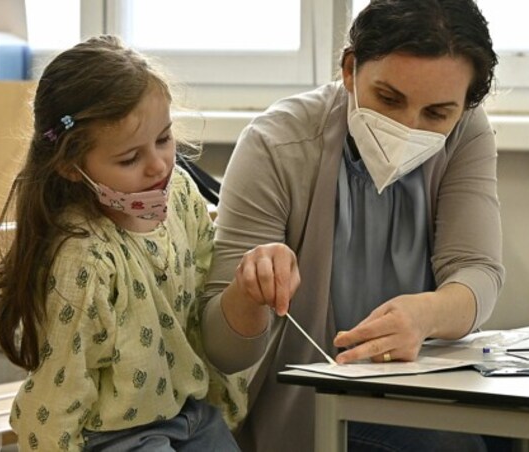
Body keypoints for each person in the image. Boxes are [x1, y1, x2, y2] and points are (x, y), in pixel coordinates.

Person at [201, 0, 503, 450]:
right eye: (388, 98)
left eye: (437, 114)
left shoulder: (466, 132)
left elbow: (478, 272)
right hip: (311, 411)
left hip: (430, 396)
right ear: (349, 68)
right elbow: (224, 351)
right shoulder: (275, 144)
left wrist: (425, 316)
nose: (407, 126)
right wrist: (247, 294)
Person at [0, 35, 287, 451]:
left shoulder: (180, 199)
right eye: (129, 159)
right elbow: (58, 392)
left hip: (189, 414)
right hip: (117, 434)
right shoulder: (83, 258)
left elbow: (203, 310)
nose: (158, 165)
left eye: (164, 139)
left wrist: (248, 288)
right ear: (70, 167)